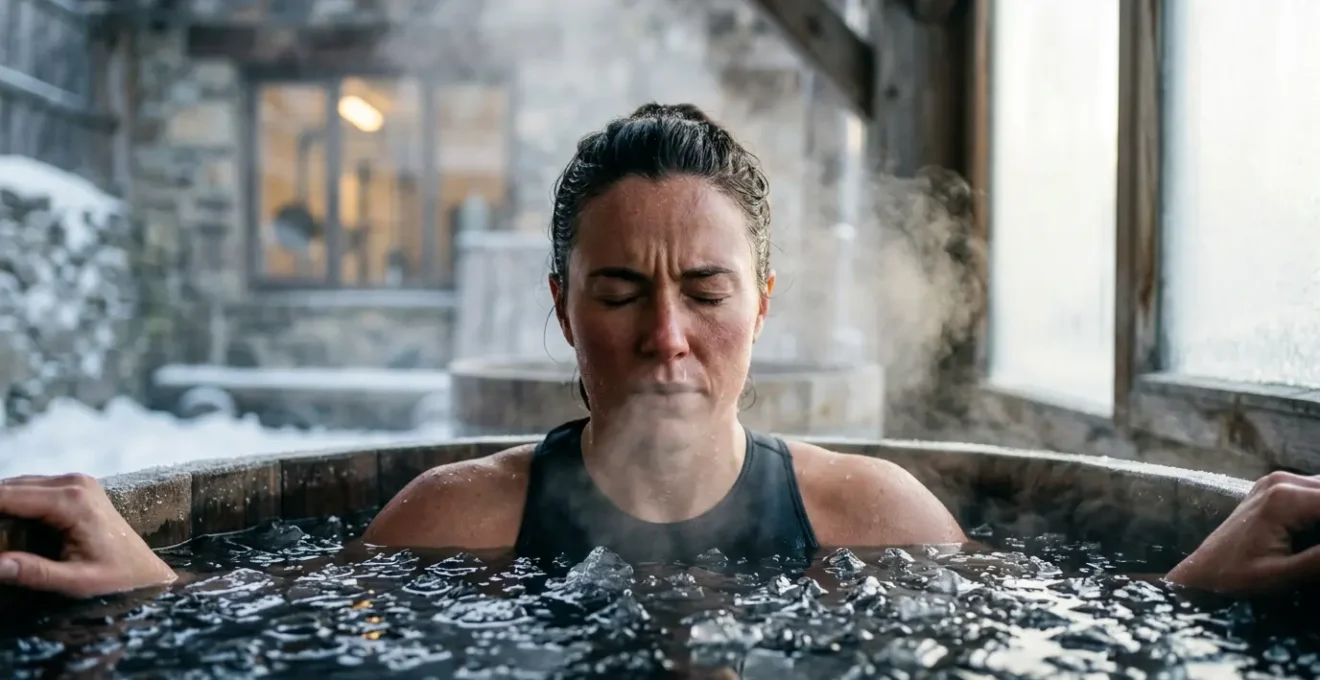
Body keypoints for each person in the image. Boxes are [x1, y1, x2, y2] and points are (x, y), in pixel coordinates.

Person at [1, 103, 1318, 600]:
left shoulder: (869, 514)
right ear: (564, 308)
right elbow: (292, 635)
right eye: (621, 291)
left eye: (704, 290)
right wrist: (155, 591)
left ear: (764, 304)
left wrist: (1186, 593)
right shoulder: (460, 519)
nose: (667, 338)